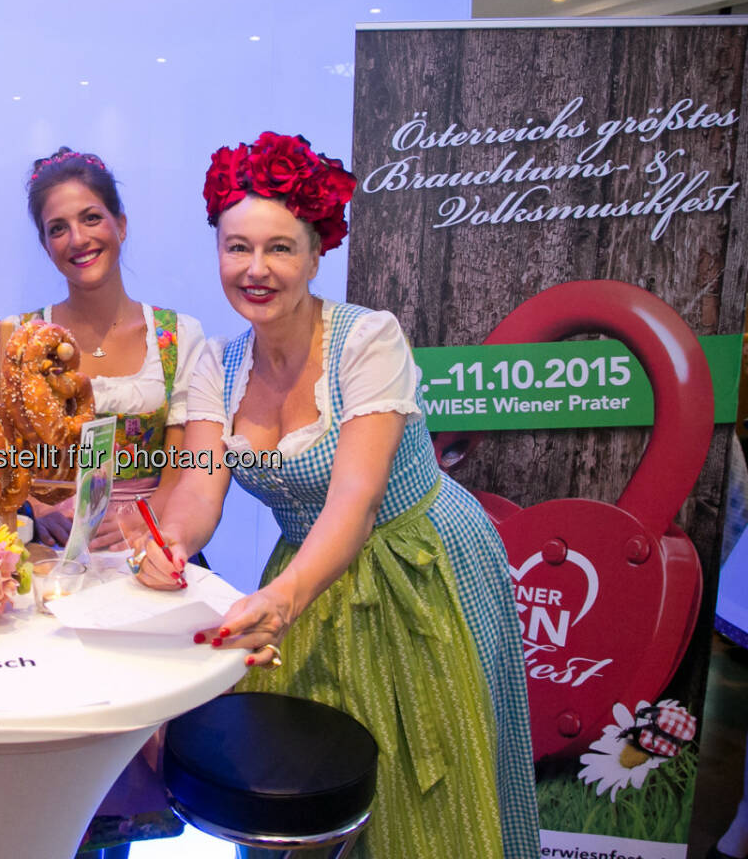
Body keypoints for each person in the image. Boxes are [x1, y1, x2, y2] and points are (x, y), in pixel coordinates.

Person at [134, 131, 539, 858]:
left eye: (280, 248)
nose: (255, 269)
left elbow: (354, 502)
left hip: (422, 566)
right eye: (237, 248)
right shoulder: (212, 370)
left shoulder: (367, 342)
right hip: (306, 576)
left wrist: (283, 600)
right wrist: (170, 545)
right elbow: (197, 487)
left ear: (317, 253)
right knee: (302, 785)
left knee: (429, 784)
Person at [16, 148, 205, 549]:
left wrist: (144, 518)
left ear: (120, 225)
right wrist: (37, 506)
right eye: (58, 228)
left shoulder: (178, 336)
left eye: (91, 218)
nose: (78, 239)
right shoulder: (21, 337)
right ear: (45, 244)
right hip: (52, 551)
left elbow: (182, 467)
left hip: (149, 541)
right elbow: (8, 456)